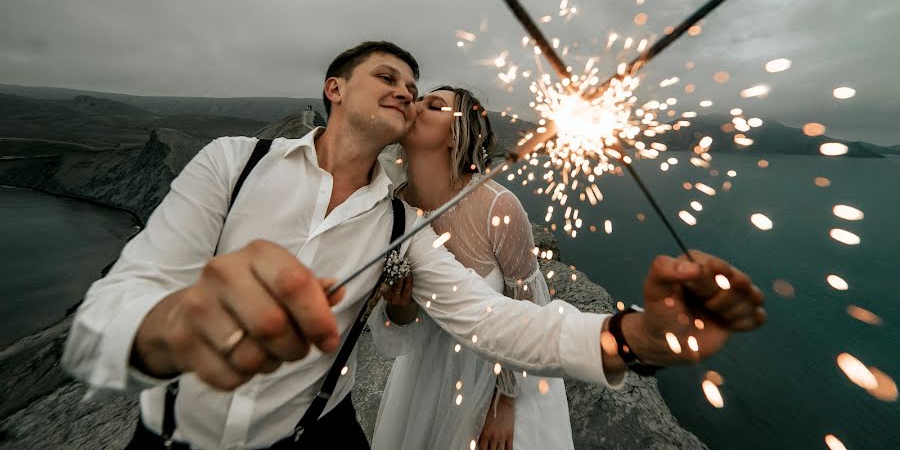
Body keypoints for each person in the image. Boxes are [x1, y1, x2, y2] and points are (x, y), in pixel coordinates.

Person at [61, 41, 767, 450]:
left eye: (416, 87)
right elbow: (102, 320)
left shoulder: (404, 226)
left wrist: (641, 336)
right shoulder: (230, 163)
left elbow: (497, 320)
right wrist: (174, 329)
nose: (407, 91)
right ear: (334, 89)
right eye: (388, 77)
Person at [370, 85, 575, 450]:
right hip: (427, 376)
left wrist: (505, 401)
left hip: (498, 371)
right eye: (418, 100)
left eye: (433, 106)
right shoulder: (393, 209)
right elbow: (401, 327)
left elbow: (529, 308)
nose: (415, 106)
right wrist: (400, 308)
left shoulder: (498, 207)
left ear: (455, 135)